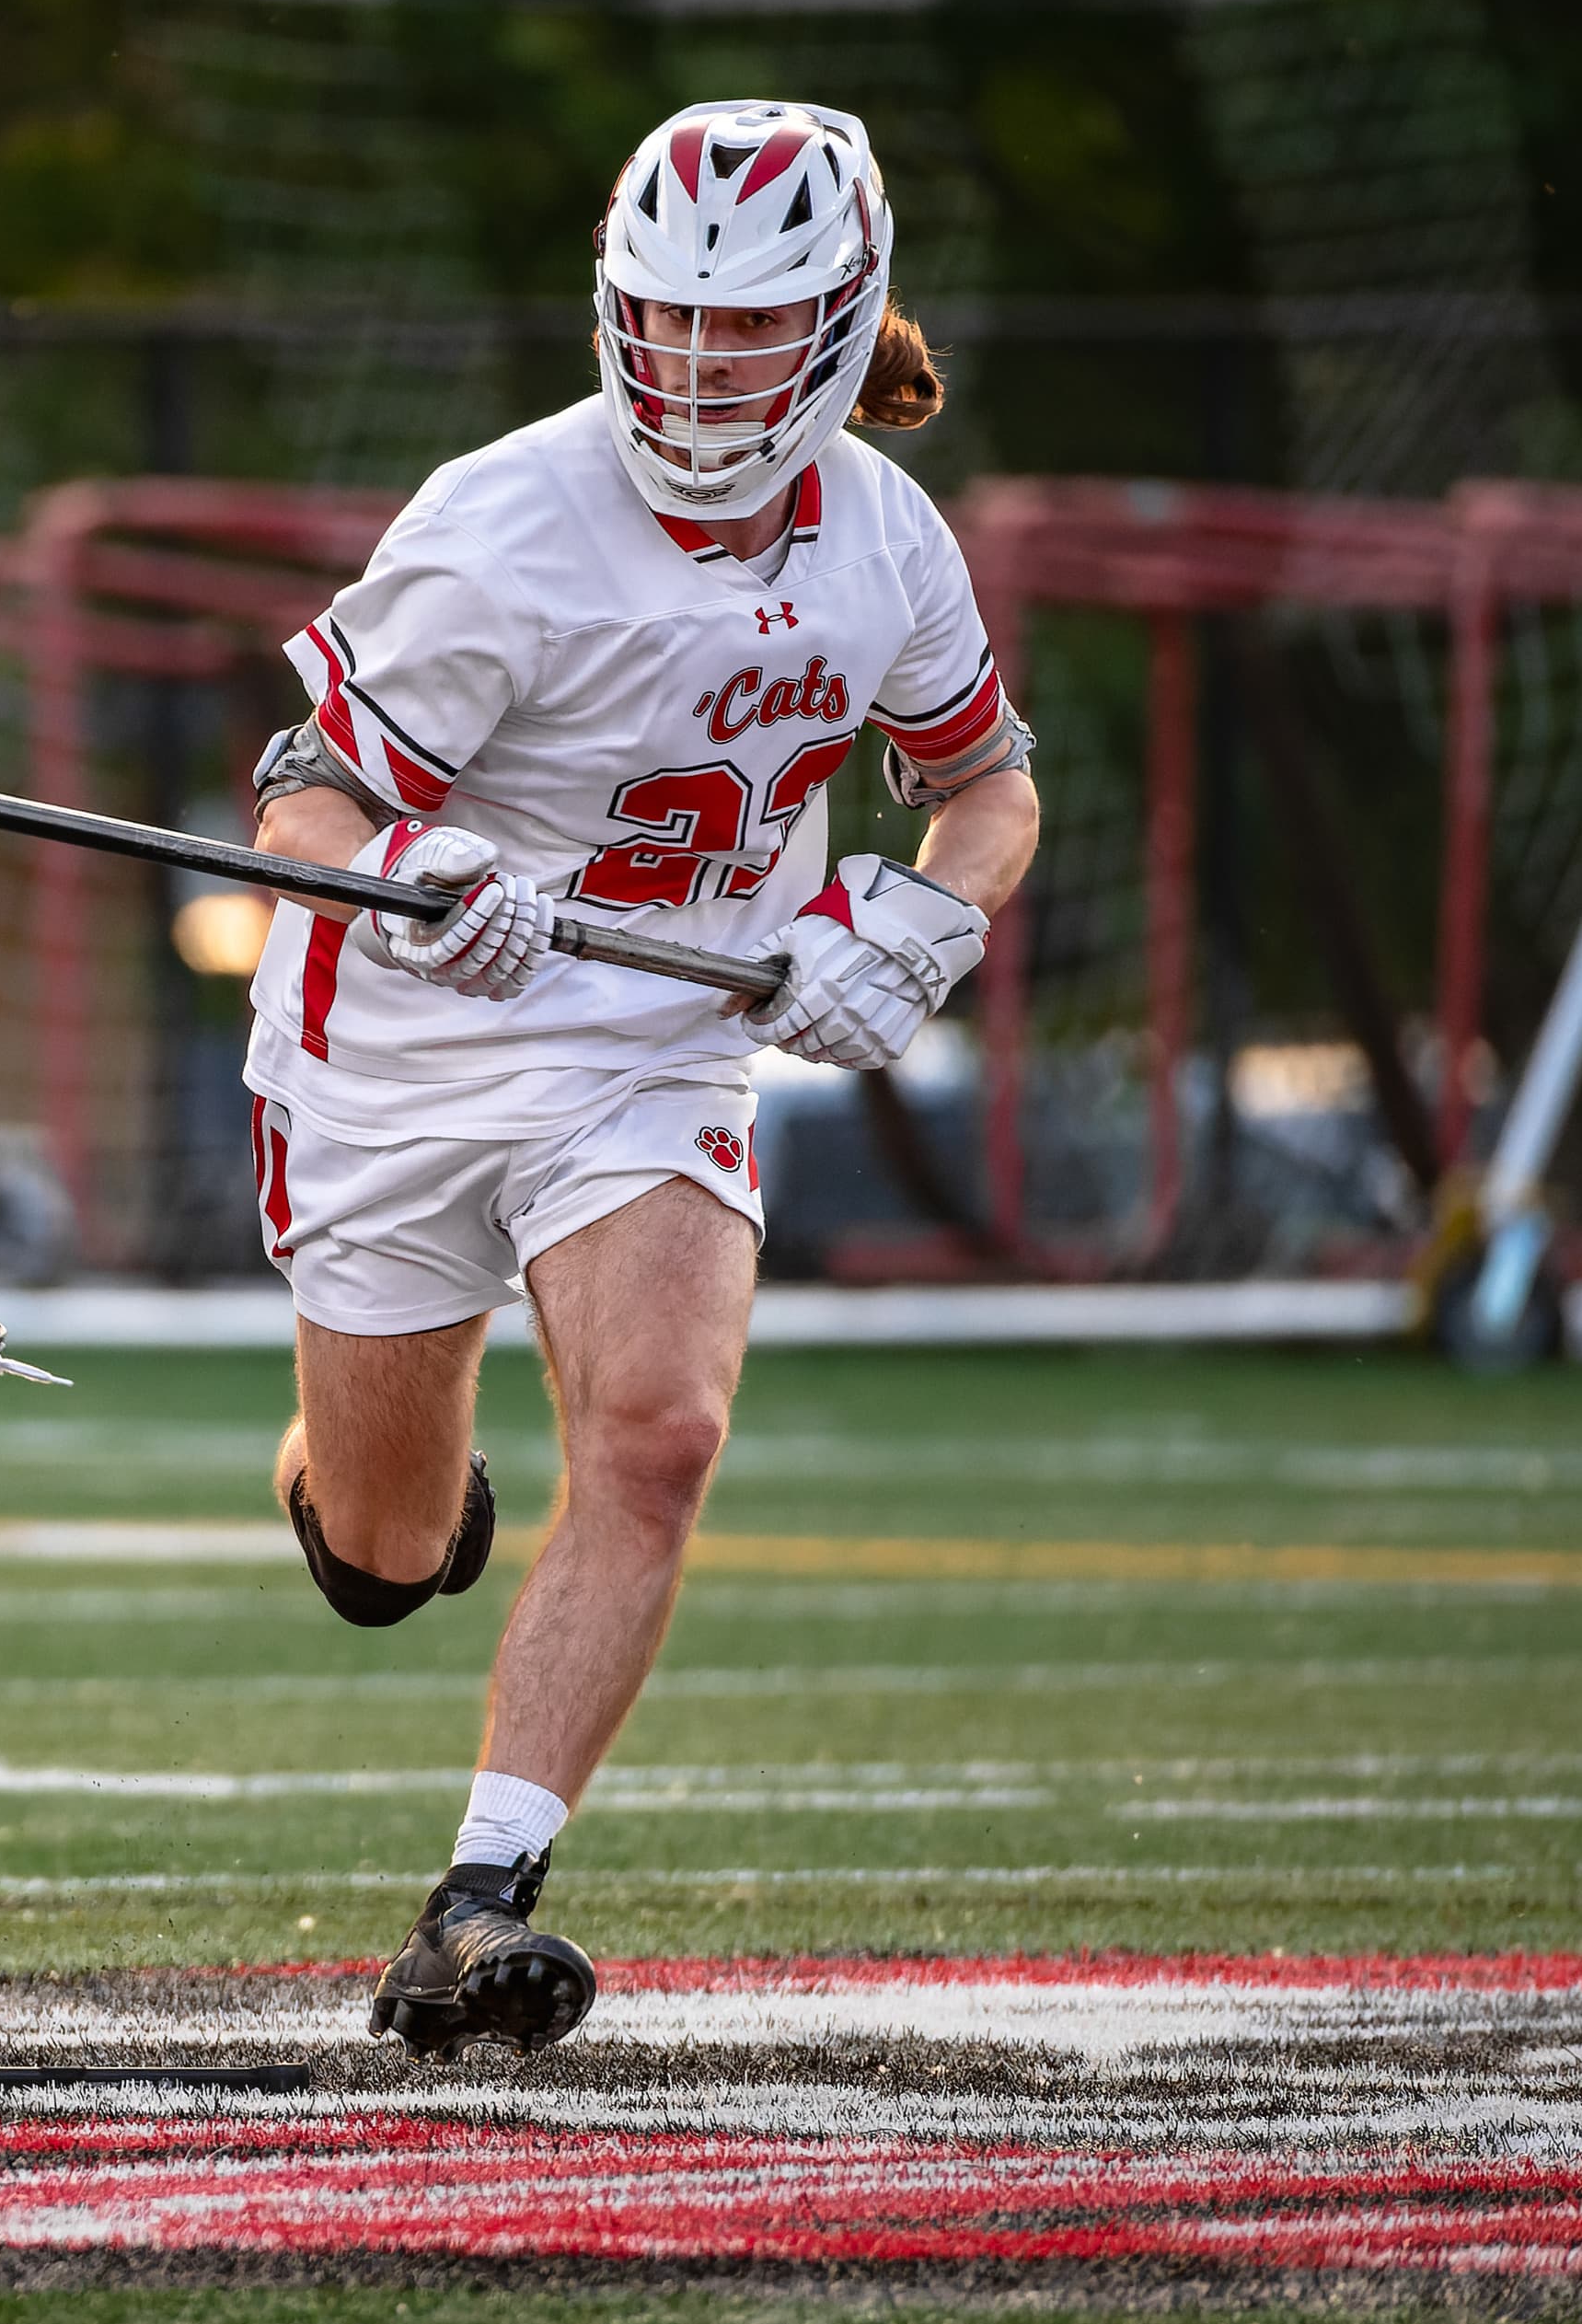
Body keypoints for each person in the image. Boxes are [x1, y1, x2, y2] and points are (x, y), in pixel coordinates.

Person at [241, 103, 1043, 2058]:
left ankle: (478, 1899)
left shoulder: (888, 538)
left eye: (748, 330)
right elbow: (303, 800)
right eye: (663, 320)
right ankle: (381, 1497)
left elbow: (988, 784)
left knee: (664, 1432)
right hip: (403, 1044)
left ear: (846, 332)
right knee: (381, 1554)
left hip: (653, 1042)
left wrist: (928, 924)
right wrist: (416, 875)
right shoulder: (504, 520)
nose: (696, 369)